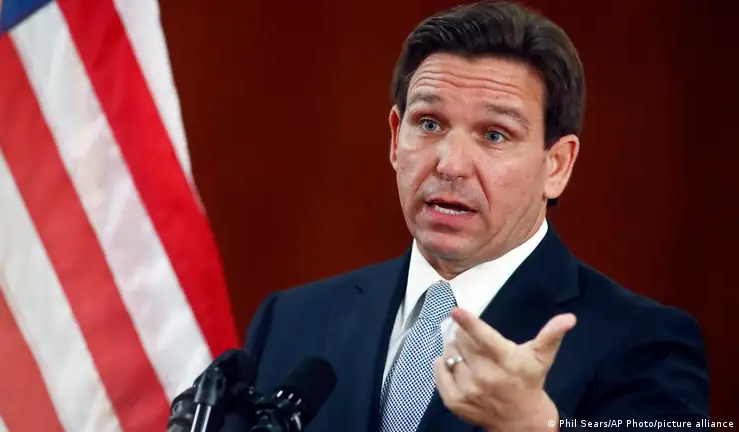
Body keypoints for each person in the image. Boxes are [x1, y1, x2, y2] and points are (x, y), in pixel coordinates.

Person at [221, 1, 710, 431]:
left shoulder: (645, 343)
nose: (450, 164)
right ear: (395, 138)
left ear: (557, 166)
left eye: (495, 134)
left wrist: (531, 428)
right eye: (429, 124)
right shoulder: (292, 320)